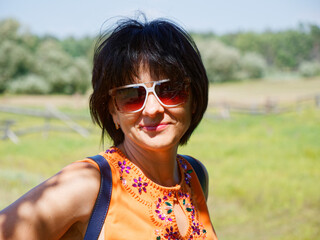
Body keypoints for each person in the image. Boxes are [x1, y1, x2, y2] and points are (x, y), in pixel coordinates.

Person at [0, 16, 218, 240]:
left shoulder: (195, 176)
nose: (152, 109)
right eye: (131, 95)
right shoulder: (89, 184)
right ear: (113, 110)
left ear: (194, 99)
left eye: (170, 90)